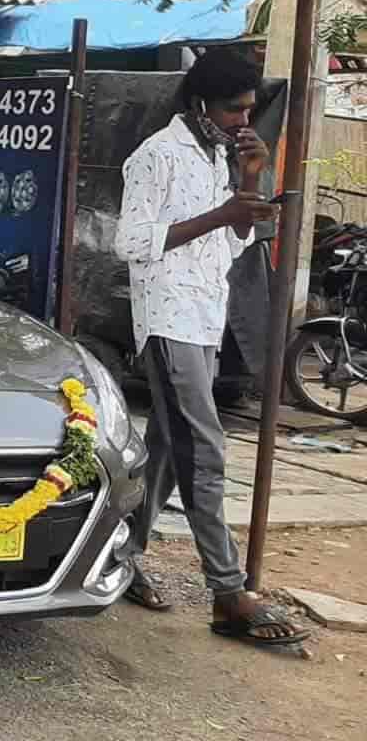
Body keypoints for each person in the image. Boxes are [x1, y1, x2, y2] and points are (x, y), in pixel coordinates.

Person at [113, 48, 306, 647]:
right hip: (167, 318)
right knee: (204, 446)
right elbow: (131, 242)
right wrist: (221, 211)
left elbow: (234, 244)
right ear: (200, 104)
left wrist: (248, 182)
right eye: (232, 110)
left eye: (249, 111)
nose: (241, 121)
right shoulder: (156, 157)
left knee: (168, 449)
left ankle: (121, 555)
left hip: (204, 315)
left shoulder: (217, 156)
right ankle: (228, 591)